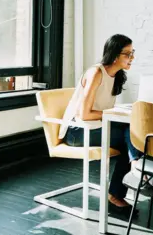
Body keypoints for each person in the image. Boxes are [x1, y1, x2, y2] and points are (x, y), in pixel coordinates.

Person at [58, 34, 142, 217]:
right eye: (127, 54)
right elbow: (84, 114)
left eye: (132, 53)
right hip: (77, 131)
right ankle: (136, 167)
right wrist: (114, 113)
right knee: (132, 135)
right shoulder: (96, 73)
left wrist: (120, 112)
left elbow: (101, 110)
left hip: (96, 127)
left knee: (134, 135)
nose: (132, 58)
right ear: (114, 55)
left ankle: (120, 188)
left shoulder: (117, 75)